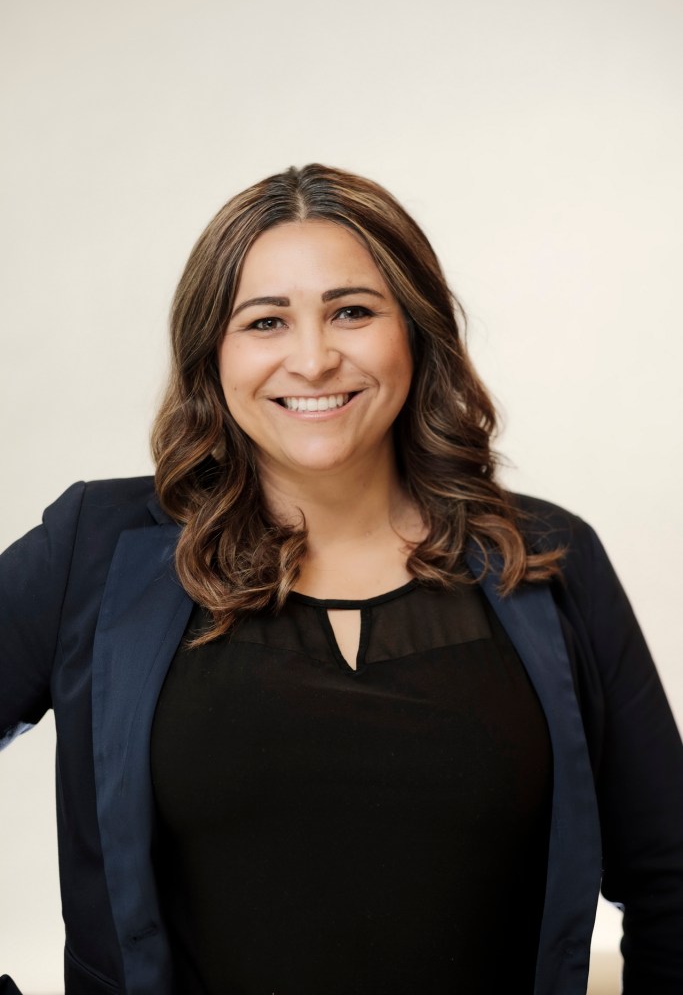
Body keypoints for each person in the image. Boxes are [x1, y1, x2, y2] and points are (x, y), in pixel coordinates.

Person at [1, 164, 681, 995]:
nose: (314, 359)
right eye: (265, 321)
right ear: (212, 352)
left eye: (352, 312)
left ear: (416, 332)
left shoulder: (544, 557)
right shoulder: (95, 551)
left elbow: (669, 878)